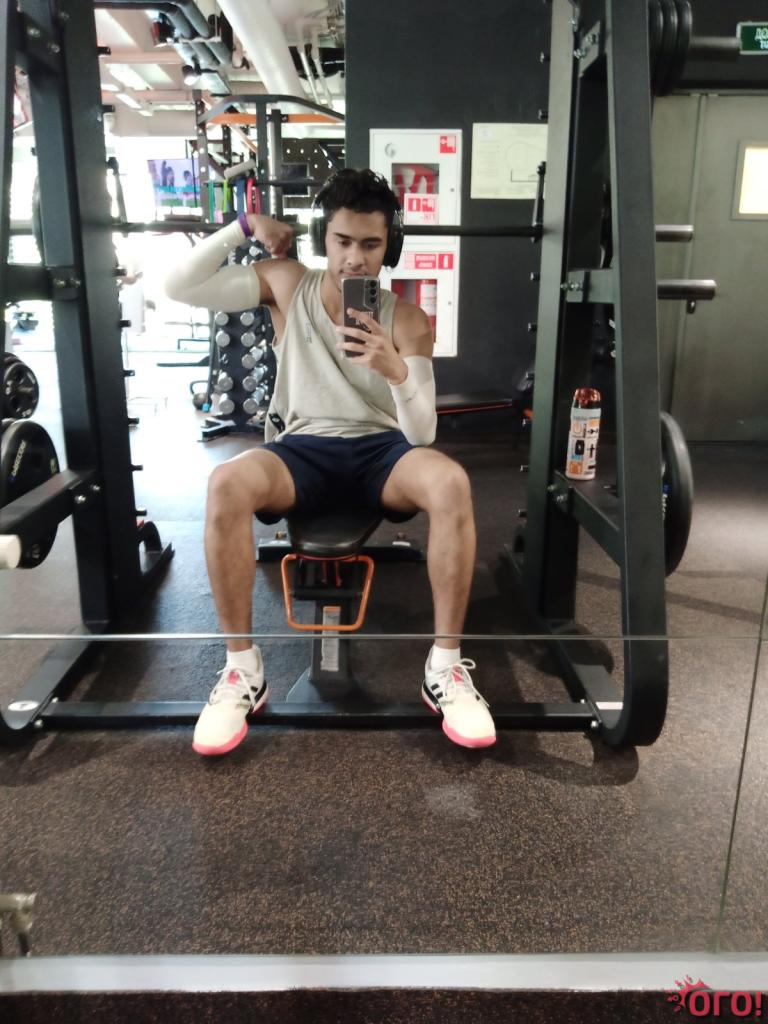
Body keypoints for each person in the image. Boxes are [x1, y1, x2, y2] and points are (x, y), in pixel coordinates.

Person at [164, 168, 496, 756]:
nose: (355, 259)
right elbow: (179, 287)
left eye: (370, 244)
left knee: (450, 482)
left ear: (389, 246)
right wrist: (243, 226)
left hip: (382, 452)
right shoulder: (287, 284)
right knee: (225, 483)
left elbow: (421, 434)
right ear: (325, 238)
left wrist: (396, 372)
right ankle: (243, 669)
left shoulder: (407, 319)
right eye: (343, 241)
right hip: (302, 448)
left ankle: (444, 668)